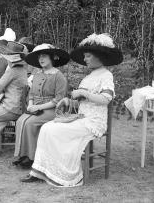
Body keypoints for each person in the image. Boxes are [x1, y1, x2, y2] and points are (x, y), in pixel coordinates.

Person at [21, 33, 123, 186]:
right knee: (47, 127)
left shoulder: (106, 75)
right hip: (81, 117)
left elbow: (105, 99)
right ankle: (40, 170)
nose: (85, 59)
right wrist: (67, 101)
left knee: (54, 131)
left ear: (98, 57)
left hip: (94, 122)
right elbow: (82, 103)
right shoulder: (89, 77)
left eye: (88, 56)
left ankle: (61, 172)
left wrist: (83, 93)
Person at [13, 43, 69, 168]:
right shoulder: (38, 74)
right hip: (35, 108)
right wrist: (31, 104)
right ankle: (23, 155)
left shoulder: (59, 76)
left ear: (52, 58)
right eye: (39, 57)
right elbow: (32, 93)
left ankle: (32, 158)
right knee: (21, 120)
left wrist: (38, 107)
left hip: (53, 110)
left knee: (29, 123)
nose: (41, 59)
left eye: (44, 56)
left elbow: (58, 100)